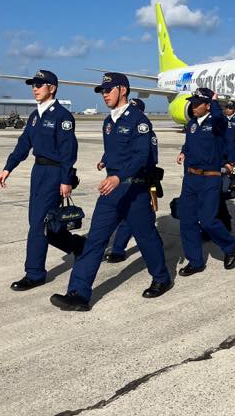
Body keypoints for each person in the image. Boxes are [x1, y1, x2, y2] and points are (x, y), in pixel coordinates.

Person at [50, 73, 172, 311]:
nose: (104, 94)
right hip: (111, 190)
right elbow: (117, 151)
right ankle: (78, 294)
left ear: (123, 90)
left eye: (108, 90)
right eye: (102, 91)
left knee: (146, 237)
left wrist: (119, 176)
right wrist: (107, 162)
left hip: (134, 189)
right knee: (95, 240)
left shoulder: (139, 121)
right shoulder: (108, 122)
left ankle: (161, 278)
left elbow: (142, 155)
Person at [0, 69, 83, 291]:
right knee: (44, 223)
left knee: (38, 225)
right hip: (38, 172)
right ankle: (80, 245)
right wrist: (9, 167)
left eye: (39, 84)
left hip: (54, 174)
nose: (34, 88)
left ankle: (34, 273)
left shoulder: (62, 116)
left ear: (52, 88)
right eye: (33, 85)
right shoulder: (35, 116)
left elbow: (68, 151)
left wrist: (65, 180)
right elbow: (24, 143)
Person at [175, 88, 235, 276]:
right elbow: (190, 143)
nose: (193, 107)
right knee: (187, 221)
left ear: (207, 105)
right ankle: (195, 261)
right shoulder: (192, 124)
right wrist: (183, 151)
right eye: (192, 103)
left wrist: (216, 102)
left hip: (210, 177)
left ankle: (229, 246)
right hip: (191, 178)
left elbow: (226, 130)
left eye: (197, 103)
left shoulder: (217, 122)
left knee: (209, 220)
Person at [103, 98, 156, 263]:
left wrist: (148, 182)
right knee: (126, 216)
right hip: (123, 179)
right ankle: (118, 248)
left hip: (146, 180)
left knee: (147, 214)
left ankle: (155, 248)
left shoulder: (147, 132)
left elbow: (151, 158)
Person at [217, 100, 235, 231]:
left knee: (223, 185)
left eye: (230, 107)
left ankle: (225, 221)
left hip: (231, 150)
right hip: (221, 151)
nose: (228, 109)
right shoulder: (220, 119)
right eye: (226, 107)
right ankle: (224, 220)